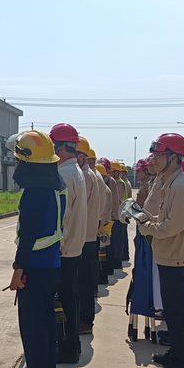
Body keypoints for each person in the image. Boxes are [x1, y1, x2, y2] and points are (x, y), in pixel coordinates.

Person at [5, 130, 66, 368]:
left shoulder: (35, 192)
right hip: (50, 265)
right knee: (46, 324)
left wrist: (18, 269)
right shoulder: (56, 188)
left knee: (33, 328)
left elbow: (29, 234)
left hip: (35, 267)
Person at [137, 133, 184, 368]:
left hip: (175, 253)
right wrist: (146, 219)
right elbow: (167, 218)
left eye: (160, 156)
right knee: (173, 310)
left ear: (174, 158)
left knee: (177, 310)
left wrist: (148, 228)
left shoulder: (180, 185)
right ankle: (175, 353)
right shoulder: (171, 182)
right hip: (170, 253)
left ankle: (179, 362)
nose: (155, 160)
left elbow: (174, 225)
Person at [49, 123, 87, 360]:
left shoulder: (64, 174)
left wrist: (57, 245)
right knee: (71, 297)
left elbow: (62, 215)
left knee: (63, 301)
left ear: (61, 148)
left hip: (64, 249)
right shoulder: (76, 171)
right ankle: (72, 342)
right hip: (74, 246)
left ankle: (68, 346)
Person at [76, 136, 104, 334]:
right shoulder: (91, 175)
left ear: (81, 157)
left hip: (84, 236)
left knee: (82, 283)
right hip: (88, 234)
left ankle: (85, 320)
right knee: (85, 280)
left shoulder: (85, 176)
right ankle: (85, 319)